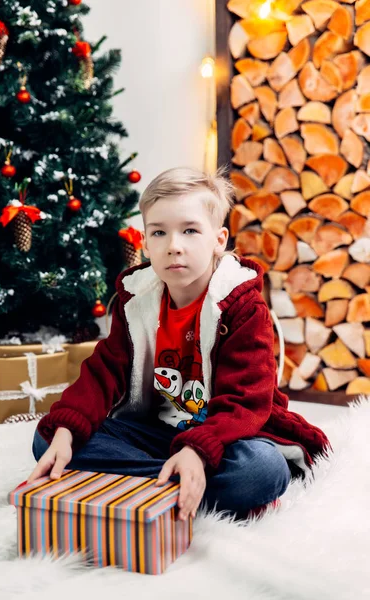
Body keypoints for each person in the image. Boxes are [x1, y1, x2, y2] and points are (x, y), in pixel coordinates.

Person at [29, 166, 330, 521]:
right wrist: (68, 429)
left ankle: (171, 477)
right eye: (159, 232)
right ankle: (176, 480)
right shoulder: (137, 300)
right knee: (50, 438)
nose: (174, 246)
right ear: (145, 243)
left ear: (218, 240)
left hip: (229, 435)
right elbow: (105, 370)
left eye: (189, 230)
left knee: (262, 471)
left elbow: (246, 400)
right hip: (159, 433)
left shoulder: (242, 306)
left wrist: (199, 450)